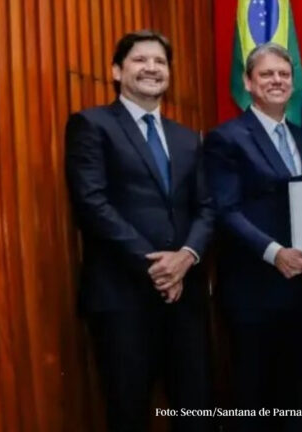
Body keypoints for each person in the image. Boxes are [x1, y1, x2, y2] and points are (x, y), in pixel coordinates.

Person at [64, 30, 214, 431]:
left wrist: (186, 257)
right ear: (117, 71)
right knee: (128, 414)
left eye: (160, 61)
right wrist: (157, 267)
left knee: (195, 413)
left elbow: (206, 208)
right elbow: (92, 204)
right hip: (122, 297)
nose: (151, 68)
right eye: (140, 60)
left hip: (184, 298)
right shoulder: (91, 125)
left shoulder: (188, 138)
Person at [203, 43, 302, 432]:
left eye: (284, 74)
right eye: (267, 74)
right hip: (254, 290)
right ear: (248, 82)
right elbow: (225, 210)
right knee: (255, 397)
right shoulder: (227, 137)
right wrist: (275, 253)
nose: (277, 80)